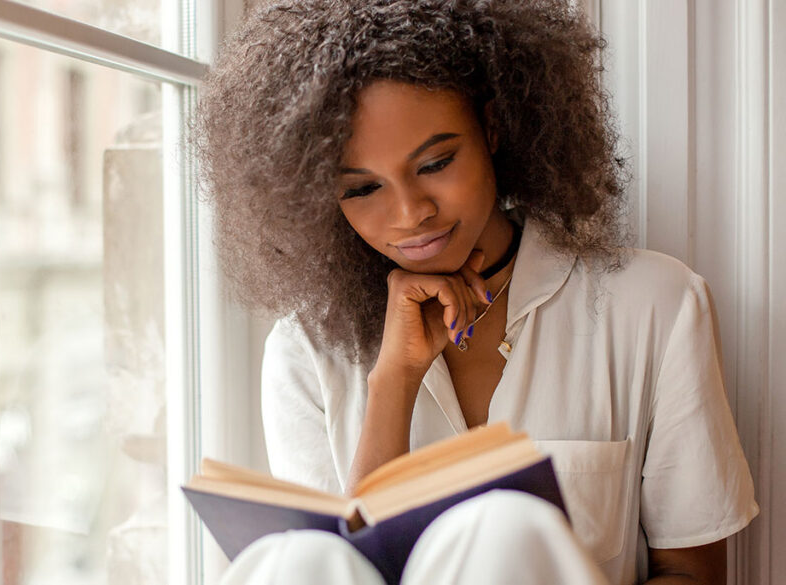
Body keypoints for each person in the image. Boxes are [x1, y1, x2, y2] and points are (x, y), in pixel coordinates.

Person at [193, 0, 759, 583]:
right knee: (298, 558)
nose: (412, 214)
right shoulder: (305, 350)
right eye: (363, 189)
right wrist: (395, 379)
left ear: (491, 128)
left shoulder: (654, 305)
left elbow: (692, 573)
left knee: (502, 530)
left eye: (435, 162)